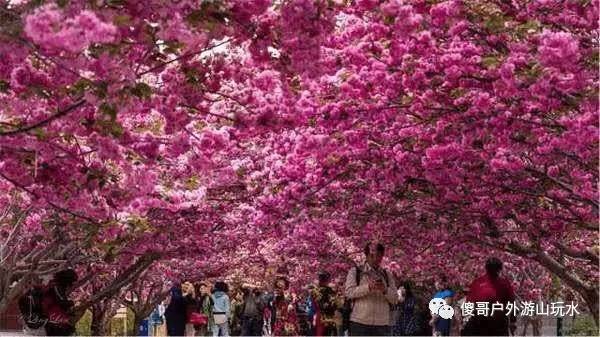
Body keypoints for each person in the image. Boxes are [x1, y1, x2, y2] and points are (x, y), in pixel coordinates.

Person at [344, 242, 398, 336]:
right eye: (372, 255)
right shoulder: (356, 272)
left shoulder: (387, 275)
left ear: (382, 256)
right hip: (360, 322)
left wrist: (385, 290)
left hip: (382, 324)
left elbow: (395, 299)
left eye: (378, 255)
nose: (375, 259)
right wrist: (368, 287)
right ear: (366, 255)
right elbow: (349, 293)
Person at [462, 258, 516, 336]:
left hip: (481, 321)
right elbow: (512, 301)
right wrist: (513, 321)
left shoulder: (477, 282)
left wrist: (466, 318)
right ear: (500, 269)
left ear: (486, 268)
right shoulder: (504, 283)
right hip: (496, 321)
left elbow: (469, 302)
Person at [40, 269, 78, 336]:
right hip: (52, 318)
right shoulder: (56, 287)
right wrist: (73, 302)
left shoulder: (58, 287)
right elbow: (61, 302)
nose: (72, 284)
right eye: (72, 281)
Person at [312, 271, 338, 336]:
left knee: (319, 333)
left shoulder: (314, 291)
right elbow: (335, 305)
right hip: (329, 316)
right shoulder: (330, 291)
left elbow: (314, 305)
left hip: (319, 315)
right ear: (327, 280)